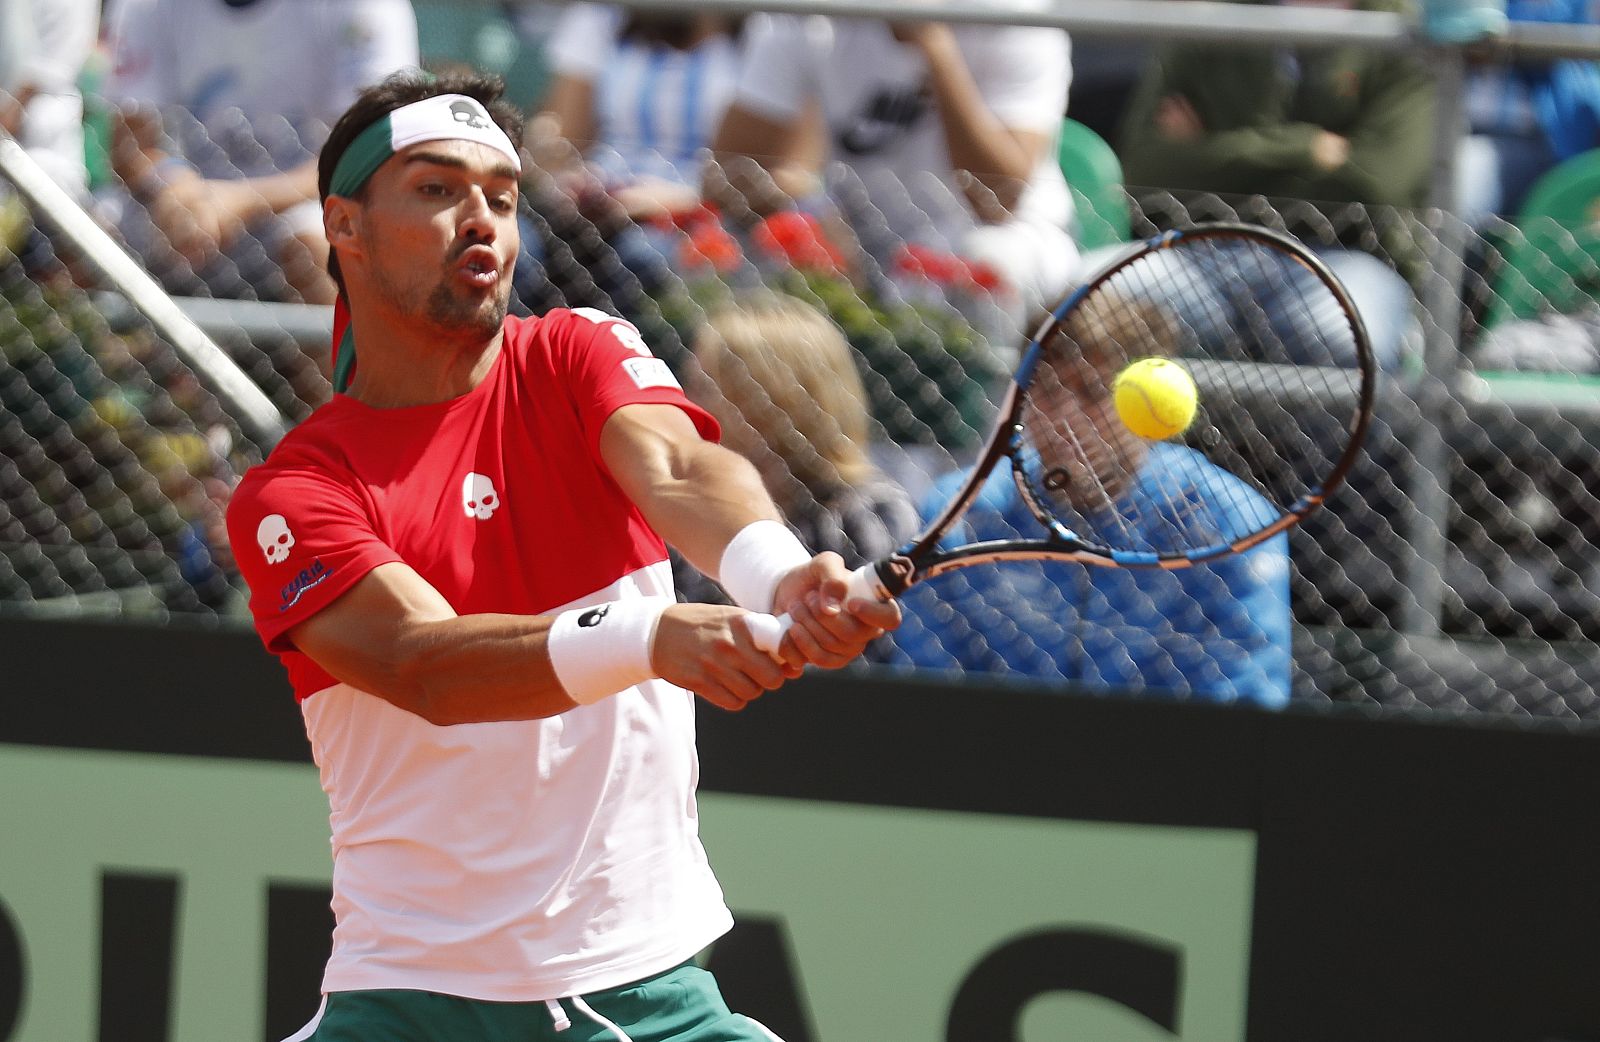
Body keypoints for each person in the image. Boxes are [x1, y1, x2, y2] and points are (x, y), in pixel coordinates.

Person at [223, 72, 899, 1041]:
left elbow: (679, 468)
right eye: (436, 189)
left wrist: (777, 575)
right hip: (402, 1006)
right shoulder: (295, 494)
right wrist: (648, 637)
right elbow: (427, 663)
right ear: (346, 226)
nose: (482, 220)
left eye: (500, 197)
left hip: (637, 998)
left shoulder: (576, 353)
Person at [886, 298, 1293, 707]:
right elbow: (926, 693)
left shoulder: (1232, 523)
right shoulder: (958, 514)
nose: (1065, 416)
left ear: (1143, 406)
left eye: (1092, 391)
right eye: (1046, 389)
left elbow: (1246, 703)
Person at [1116, 0, 1433, 370]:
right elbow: (1144, 171)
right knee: (1094, 304)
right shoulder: (1209, 18)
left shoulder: (1402, 29)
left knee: (1336, 336)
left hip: (1347, 255)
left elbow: (1378, 185)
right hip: (1200, 246)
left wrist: (1210, 157)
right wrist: (1306, 149)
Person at [707, 16, 1078, 315]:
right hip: (863, 240)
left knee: (988, 262)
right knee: (721, 254)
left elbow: (998, 201)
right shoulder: (805, 15)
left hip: (1009, 237)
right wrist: (809, 208)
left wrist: (935, 47)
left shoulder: (1013, 14)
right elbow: (724, 176)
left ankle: (981, 408)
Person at [100, 0, 419, 305]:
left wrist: (242, 200)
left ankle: (339, 364)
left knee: (319, 241)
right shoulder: (148, 5)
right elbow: (129, 143)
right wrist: (173, 183)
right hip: (187, 207)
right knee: (92, 227)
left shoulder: (364, 6)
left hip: (306, 203)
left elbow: (369, 151)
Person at [675, 290, 920, 607]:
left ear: (772, 402)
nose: (686, 403)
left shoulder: (867, 516)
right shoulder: (691, 508)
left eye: (705, 388)